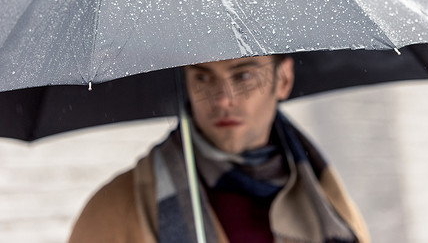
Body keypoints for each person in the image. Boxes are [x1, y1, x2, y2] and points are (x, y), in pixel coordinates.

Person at [68, 55, 370, 243]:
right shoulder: (113, 210)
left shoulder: (328, 201)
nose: (223, 99)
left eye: (243, 76)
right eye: (202, 77)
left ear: (284, 79)